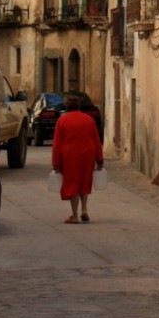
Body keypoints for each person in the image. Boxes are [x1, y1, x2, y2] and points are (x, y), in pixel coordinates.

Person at [51, 94, 103, 223]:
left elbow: (57, 144)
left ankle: (74, 215)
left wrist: (55, 162)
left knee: (72, 182)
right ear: (79, 106)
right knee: (85, 180)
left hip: (69, 155)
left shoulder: (62, 121)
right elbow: (97, 140)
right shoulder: (89, 120)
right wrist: (100, 159)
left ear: (67, 107)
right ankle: (84, 209)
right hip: (88, 153)